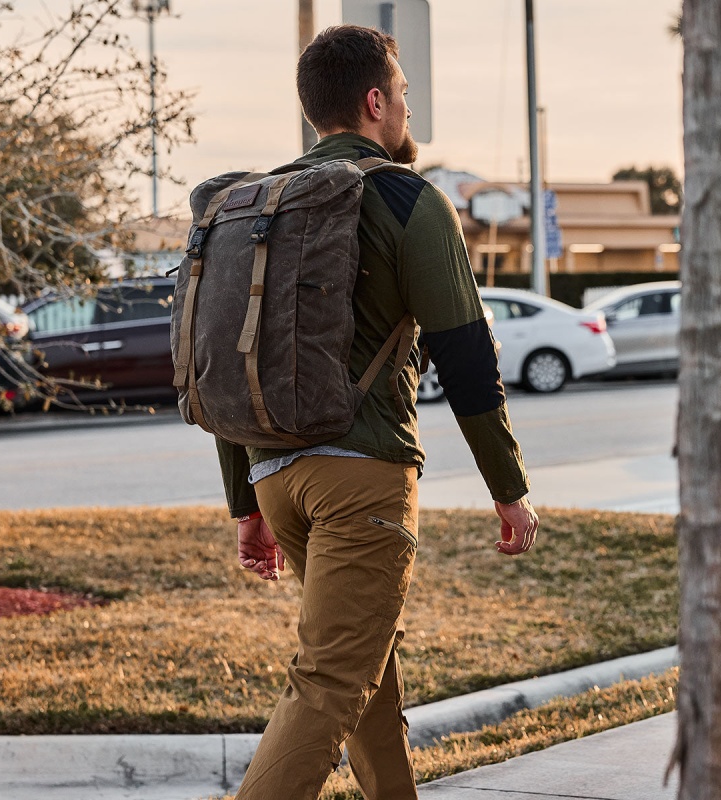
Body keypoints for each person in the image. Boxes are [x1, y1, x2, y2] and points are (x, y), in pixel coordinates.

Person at [213, 24, 539, 800]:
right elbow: (464, 354)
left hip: (276, 478)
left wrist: (245, 502)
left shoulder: (254, 205)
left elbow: (232, 358)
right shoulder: (408, 198)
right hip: (363, 483)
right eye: (402, 97)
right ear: (374, 101)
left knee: (368, 674)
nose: (406, 111)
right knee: (330, 681)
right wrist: (509, 487)